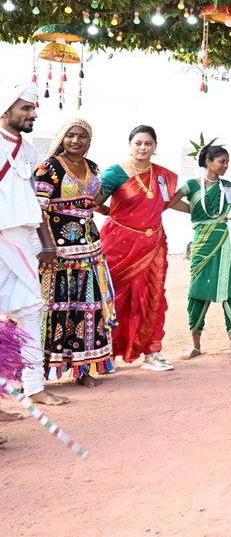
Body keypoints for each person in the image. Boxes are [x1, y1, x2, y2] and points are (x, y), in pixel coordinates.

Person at [35, 119, 115, 386]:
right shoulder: (50, 168)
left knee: (87, 309)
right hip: (58, 253)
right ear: (62, 137)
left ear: (89, 141)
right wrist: (48, 247)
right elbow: (39, 210)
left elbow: (93, 202)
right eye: (70, 135)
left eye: (82, 136)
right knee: (53, 309)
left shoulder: (92, 167)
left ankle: (83, 369)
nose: (76, 140)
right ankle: (37, 374)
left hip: (90, 250)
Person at [168, 141, 231, 361]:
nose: (225, 166)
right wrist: (192, 210)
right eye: (222, 161)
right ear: (208, 162)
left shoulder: (229, 187)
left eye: (227, 162)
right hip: (202, 244)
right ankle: (195, 345)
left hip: (226, 243)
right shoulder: (190, 186)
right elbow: (169, 203)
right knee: (197, 292)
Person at [0, 82, 64, 406]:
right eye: (26, 108)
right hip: (1, 237)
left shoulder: (27, 151)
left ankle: (33, 386)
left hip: (23, 238)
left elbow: (32, 201)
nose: (33, 114)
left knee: (30, 309)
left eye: (32, 108)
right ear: (5, 109)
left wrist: (46, 244)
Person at [94, 125, 178, 371]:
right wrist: (110, 213)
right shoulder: (115, 173)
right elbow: (94, 201)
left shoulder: (162, 175)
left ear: (155, 147)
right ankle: (105, 354)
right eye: (138, 143)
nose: (143, 147)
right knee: (112, 297)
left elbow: (167, 203)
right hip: (118, 244)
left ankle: (152, 352)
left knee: (152, 297)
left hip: (152, 245)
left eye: (148, 143)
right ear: (130, 145)